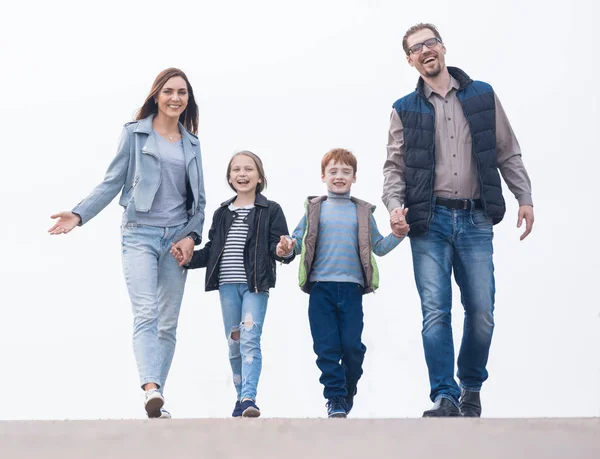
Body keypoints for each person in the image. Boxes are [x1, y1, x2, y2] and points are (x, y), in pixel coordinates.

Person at [383, 23, 534, 417]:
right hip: (427, 223)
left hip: (475, 219)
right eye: (416, 48)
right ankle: (444, 396)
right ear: (410, 60)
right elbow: (393, 169)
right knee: (436, 312)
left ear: (443, 47)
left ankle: (470, 387)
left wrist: (524, 197)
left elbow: (507, 151)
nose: (425, 50)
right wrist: (394, 208)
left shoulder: (482, 95)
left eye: (430, 42)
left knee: (482, 310)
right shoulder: (404, 109)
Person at [48, 68, 206, 419]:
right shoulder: (135, 134)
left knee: (168, 323)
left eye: (182, 92)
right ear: (156, 96)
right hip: (139, 233)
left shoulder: (192, 143)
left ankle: (157, 397)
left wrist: (192, 237)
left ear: (188, 99)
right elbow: (112, 181)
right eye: (168, 91)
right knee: (147, 312)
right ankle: (150, 386)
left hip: (176, 239)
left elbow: (200, 202)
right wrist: (79, 214)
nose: (175, 98)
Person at [289, 148, 408, 418]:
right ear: (323, 176)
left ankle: (348, 386)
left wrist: (398, 234)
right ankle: (334, 398)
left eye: (345, 172)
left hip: (352, 290)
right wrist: (286, 247)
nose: (339, 176)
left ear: (354, 177)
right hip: (321, 289)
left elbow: (379, 246)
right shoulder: (314, 209)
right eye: (333, 171)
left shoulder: (362, 211)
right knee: (326, 348)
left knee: (352, 347)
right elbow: (297, 242)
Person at [178, 151, 294, 418]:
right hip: (227, 286)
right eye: (237, 170)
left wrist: (285, 249)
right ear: (230, 177)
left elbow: (279, 247)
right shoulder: (221, 213)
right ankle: (239, 395)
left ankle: (249, 397)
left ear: (260, 177)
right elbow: (211, 251)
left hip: (255, 286)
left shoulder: (270, 209)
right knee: (235, 343)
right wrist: (187, 259)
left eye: (249, 169)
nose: (242, 174)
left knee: (250, 338)